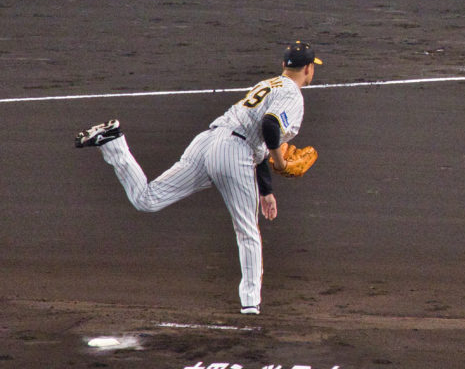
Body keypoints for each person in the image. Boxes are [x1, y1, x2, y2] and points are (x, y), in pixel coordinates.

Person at [74, 41, 323, 315]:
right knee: (247, 232)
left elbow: (260, 143)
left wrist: (266, 191)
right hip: (233, 151)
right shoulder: (293, 95)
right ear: (308, 69)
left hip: (207, 142)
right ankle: (251, 305)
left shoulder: (268, 84)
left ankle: (113, 141)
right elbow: (270, 126)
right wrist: (281, 161)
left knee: (147, 199)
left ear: (284, 65)